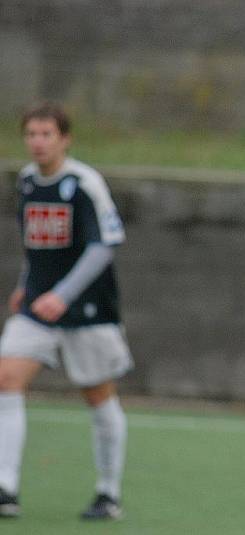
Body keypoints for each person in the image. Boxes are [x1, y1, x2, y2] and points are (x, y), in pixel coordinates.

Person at [0, 102, 132, 520]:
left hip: (87, 309)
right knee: (6, 378)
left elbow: (103, 246)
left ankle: (108, 494)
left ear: (64, 139)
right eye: (31, 134)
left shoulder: (84, 183)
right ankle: (6, 488)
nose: (37, 142)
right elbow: (36, 246)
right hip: (38, 307)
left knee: (97, 396)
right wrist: (27, 285)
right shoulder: (25, 182)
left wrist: (64, 294)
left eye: (46, 134)